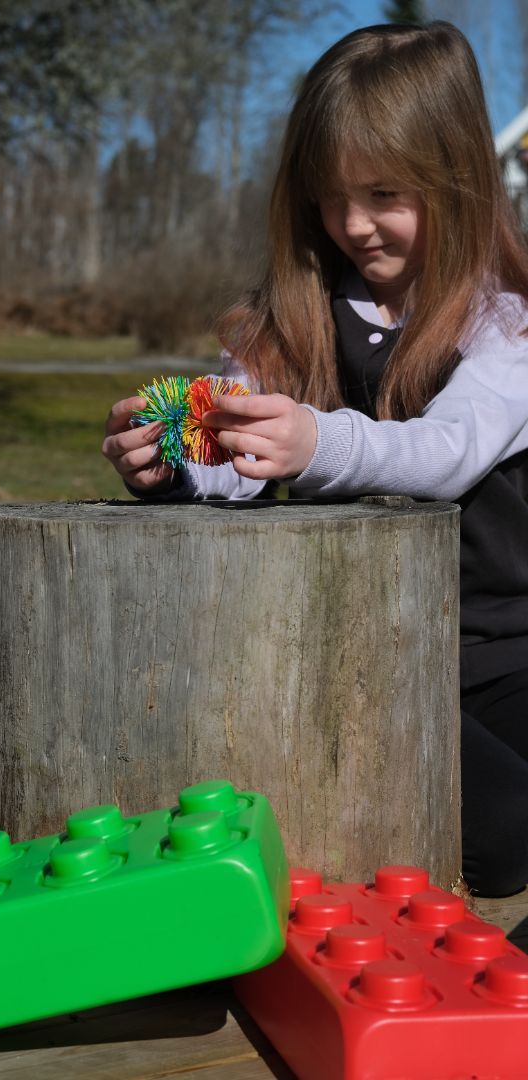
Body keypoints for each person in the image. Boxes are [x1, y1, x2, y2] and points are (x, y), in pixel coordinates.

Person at [102, 21, 528, 897]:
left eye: (384, 194)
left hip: (509, 652)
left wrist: (317, 438)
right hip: (366, 658)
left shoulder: (507, 325)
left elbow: (445, 453)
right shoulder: (286, 318)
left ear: (459, 181)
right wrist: (175, 460)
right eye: (331, 198)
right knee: (506, 836)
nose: (354, 226)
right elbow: (237, 451)